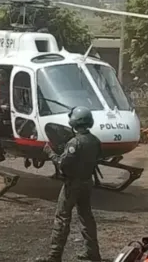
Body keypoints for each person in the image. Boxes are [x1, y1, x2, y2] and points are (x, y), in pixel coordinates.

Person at [36, 106, 102, 262]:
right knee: (86, 217)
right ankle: (93, 253)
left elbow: (61, 164)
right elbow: (98, 158)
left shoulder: (74, 143)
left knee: (62, 218)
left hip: (72, 185)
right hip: (87, 182)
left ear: (74, 122)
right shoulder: (95, 140)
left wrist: (49, 152)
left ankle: (54, 256)